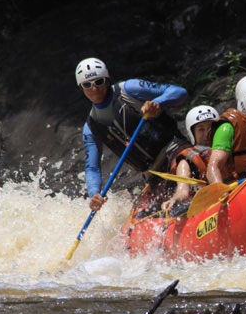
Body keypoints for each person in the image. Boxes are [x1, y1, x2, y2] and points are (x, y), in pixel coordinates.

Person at [76, 57, 188, 212]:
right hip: (153, 175)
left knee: (185, 163)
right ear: (81, 88)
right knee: (144, 211)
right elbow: (92, 168)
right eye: (87, 85)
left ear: (107, 80)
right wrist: (94, 193)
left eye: (99, 81)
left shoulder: (130, 89)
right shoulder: (91, 127)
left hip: (176, 152)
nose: (94, 88)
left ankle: (188, 194)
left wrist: (159, 102)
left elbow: (179, 92)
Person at [160, 104, 219, 212]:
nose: (207, 133)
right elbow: (183, 191)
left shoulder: (227, 149)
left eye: (211, 128)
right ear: (193, 133)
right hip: (203, 207)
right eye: (201, 129)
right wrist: (175, 199)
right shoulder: (186, 161)